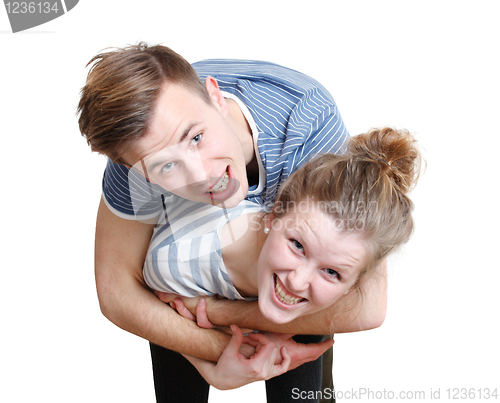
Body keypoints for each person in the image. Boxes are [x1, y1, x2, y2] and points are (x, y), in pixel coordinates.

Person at [78, 43, 387, 402]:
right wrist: (218, 353)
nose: (201, 175)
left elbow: (367, 304)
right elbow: (117, 292)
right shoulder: (136, 157)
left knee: (309, 267)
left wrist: (219, 311)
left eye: (196, 138)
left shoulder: (310, 123)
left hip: (291, 265)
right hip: (188, 268)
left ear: (215, 95)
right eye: (166, 166)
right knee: (168, 282)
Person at [145, 127, 421, 390]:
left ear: (357, 283)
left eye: (333, 272)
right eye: (298, 246)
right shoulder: (176, 263)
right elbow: (158, 319)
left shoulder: (309, 265)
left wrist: (244, 327)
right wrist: (215, 361)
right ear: (274, 215)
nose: (298, 281)